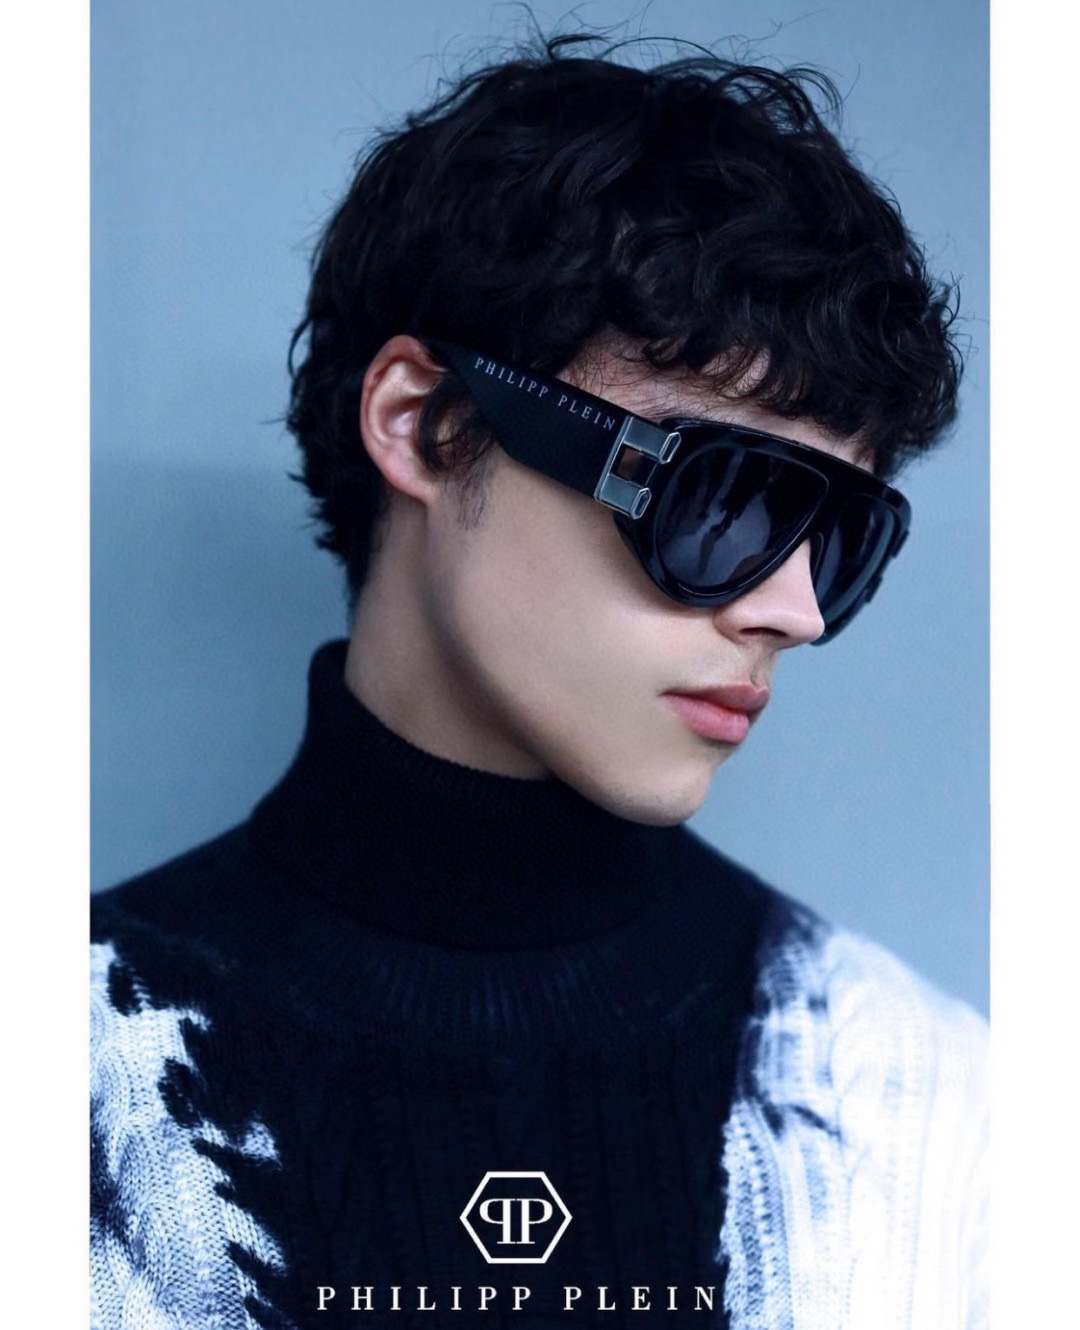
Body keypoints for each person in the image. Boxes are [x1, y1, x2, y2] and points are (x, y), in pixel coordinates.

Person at [90, 35, 987, 1330]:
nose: (792, 612)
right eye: (721, 497)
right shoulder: (74, 1080)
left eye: (842, 535)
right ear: (423, 421)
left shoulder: (927, 1108)